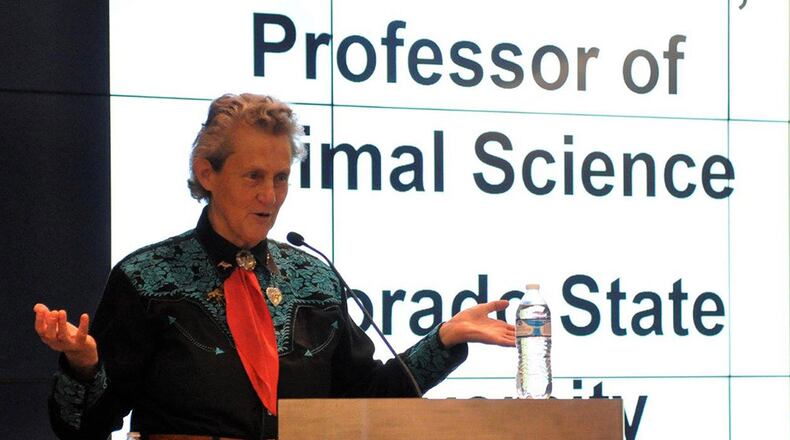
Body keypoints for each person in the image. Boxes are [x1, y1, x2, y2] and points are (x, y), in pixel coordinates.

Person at [33, 93, 516, 440]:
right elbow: (80, 426)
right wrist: (82, 366)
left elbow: (369, 398)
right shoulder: (148, 277)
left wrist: (445, 340)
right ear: (208, 172)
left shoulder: (315, 279)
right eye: (254, 177)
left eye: (281, 177)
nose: (271, 196)